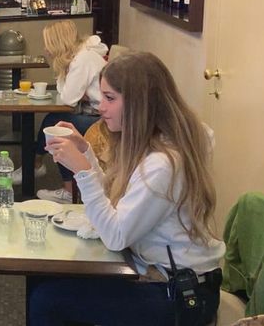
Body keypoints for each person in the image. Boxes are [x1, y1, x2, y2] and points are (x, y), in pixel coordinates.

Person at [28, 52, 224, 326]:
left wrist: (83, 172)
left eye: (110, 98)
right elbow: (116, 201)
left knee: (47, 301)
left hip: (181, 293)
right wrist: (86, 153)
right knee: (43, 276)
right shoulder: (157, 141)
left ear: (139, 103)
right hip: (157, 271)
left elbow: (116, 236)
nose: (100, 107)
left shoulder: (163, 164)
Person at [10, 20, 108, 204]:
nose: (46, 49)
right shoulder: (81, 57)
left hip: (104, 119)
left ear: (58, 42)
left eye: (48, 43)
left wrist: (64, 73)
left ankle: (41, 170)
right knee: (54, 121)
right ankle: (36, 165)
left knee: (57, 127)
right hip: (95, 112)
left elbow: (67, 99)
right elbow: (70, 95)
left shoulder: (82, 59)